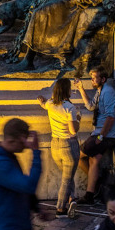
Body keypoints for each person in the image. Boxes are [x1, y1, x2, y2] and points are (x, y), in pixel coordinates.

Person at [77, 67, 115, 206]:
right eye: (91, 77)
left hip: (106, 135)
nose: (92, 80)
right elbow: (91, 106)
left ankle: (100, 182)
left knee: (77, 155)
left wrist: (100, 137)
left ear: (103, 79)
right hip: (99, 132)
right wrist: (81, 89)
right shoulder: (100, 91)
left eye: (94, 77)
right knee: (94, 160)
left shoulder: (108, 93)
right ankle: (92, 193)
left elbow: (110, 118)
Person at [36, 78, 82, 214]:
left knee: (67, 175)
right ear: (67, 90)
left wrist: (41, 101)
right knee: (66, 179)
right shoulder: (69, 107)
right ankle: (60, 209)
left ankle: (71, 199)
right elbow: (73, 130)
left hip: (54, 144)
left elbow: (44, 105)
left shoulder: (50, 104)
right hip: (69, 144)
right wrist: (78, 119)